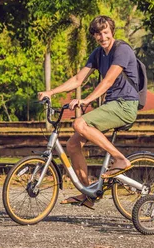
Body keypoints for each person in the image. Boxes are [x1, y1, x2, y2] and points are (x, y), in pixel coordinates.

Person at [37, 15, 140, 209]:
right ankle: (88, 193)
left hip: (126, 104)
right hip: (111, 105)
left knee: (79, 123)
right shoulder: (98, 54)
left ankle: (121, 159)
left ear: (112, 31)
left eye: (105, 32)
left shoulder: (122, 50)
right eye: (98, 34)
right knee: (73, 145)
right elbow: (78, 79)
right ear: (94, 36)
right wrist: (51, 92)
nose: (103, 37)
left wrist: (86, 100)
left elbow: (108, 81)